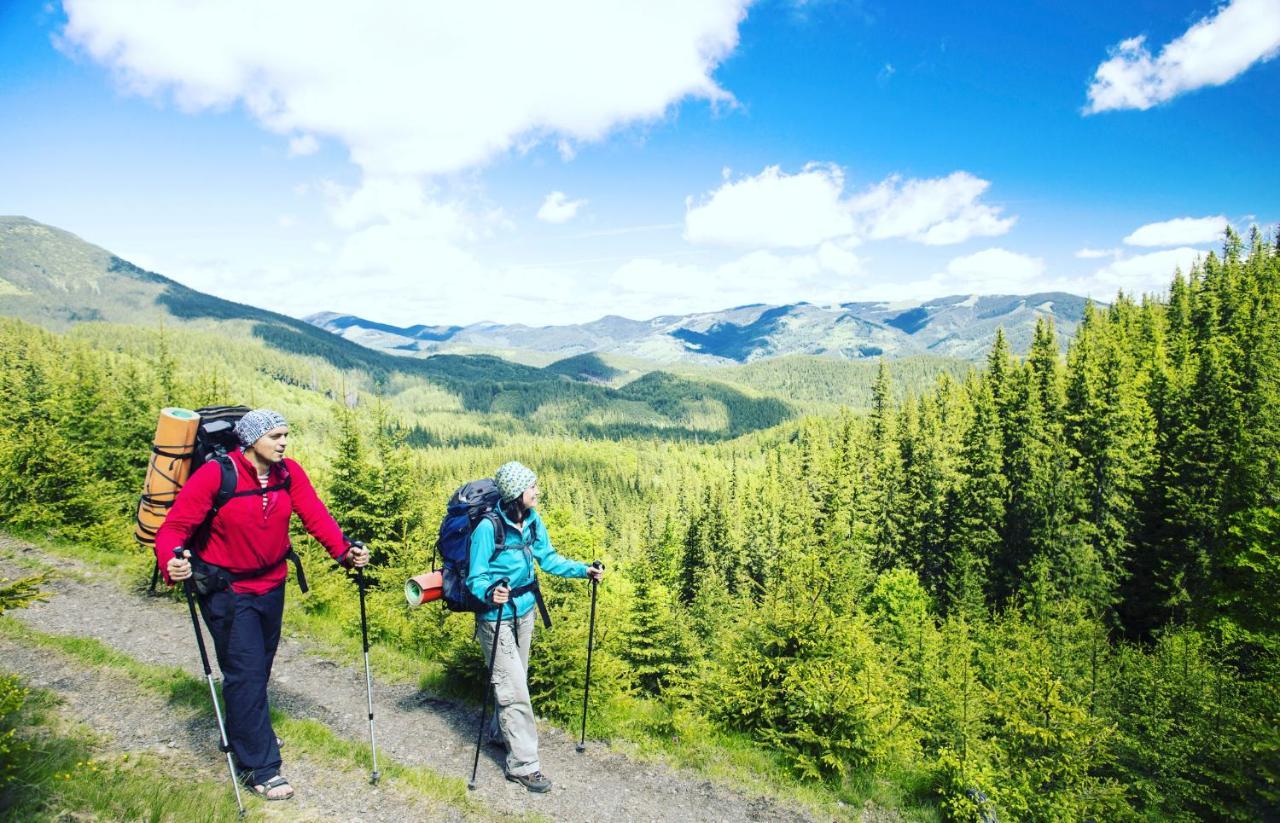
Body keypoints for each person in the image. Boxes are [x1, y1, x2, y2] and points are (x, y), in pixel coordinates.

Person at [155, 409, 370, 802]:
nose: (283, 442)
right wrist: (172, 561)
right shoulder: (217, 475)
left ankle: (248, 729)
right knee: (245, 671)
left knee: (259, 665)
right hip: (227, 590)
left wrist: (343, 551)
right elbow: (175, 527)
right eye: (275, 436)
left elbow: (314, 516)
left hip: (272, 584)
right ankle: (260, 765)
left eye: (286, 434)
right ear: (251, 440)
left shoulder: (290, 474)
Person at [467, 461, 604, 793]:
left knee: (515, 682)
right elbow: (475, 577)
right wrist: (490, 591)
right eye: (532, 486)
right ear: (516, 493)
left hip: (525, 611)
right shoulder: (488, 528)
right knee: (514, 689)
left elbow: (549, 558)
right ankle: (523, 765)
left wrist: (584, 570)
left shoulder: (531, 520)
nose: (537, 491)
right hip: (494, 618)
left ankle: (501, 736)